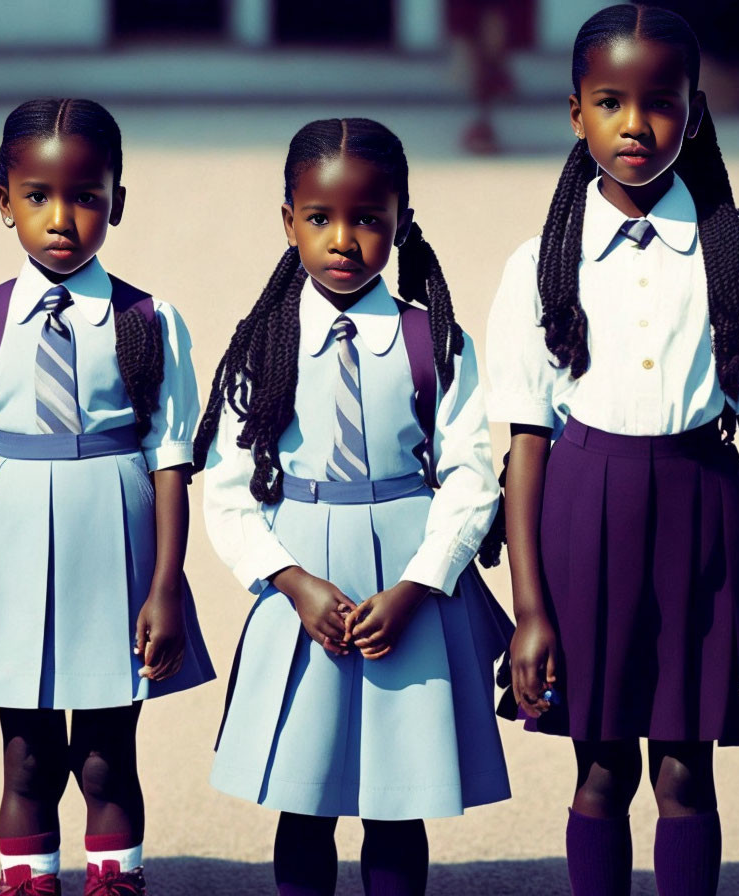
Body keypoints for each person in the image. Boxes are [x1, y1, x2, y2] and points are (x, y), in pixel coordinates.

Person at [485, 6, 739, 895]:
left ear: (694, 113)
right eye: (610, 101)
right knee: (603, 769)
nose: (635, 124)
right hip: (585, 518)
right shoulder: (542, 262)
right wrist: (530, 609)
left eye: (660, 101)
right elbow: (528, 444)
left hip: (706, 519)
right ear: (575, 112)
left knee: (688, 770)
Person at [195, 117, 512, 896]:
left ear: (401, 220)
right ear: (288, 221)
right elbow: (228, 489)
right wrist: (290, 582)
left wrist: (418, 586)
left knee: (396, 803)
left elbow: (472, 477)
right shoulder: (261, 345)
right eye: (320, 218)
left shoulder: (434, 343)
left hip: (408, 582)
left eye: (368, 219)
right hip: (299, 584)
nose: (343, 239)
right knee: (303, 799)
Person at [0, 97, 214, 896]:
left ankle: (116, 880)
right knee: (27, 752)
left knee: (108, 751)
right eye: (37, 196)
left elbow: (171, 458)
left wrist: (164, 588)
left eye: (86, 197)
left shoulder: (149, 320)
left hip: (115, 548)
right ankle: (30, 880)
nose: (61, 218)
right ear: (2, 197)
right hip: (6, 550)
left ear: (117, 201)